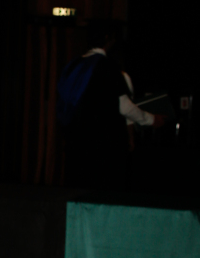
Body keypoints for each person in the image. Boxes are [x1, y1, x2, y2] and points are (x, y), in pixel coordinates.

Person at [59, 23, 164, 189]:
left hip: (76, 143)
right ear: (109, 41)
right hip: (103, 146)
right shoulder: (107, 67)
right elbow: (124, 107)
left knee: (78, 191)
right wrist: (151, 119)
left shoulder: (73, 66)